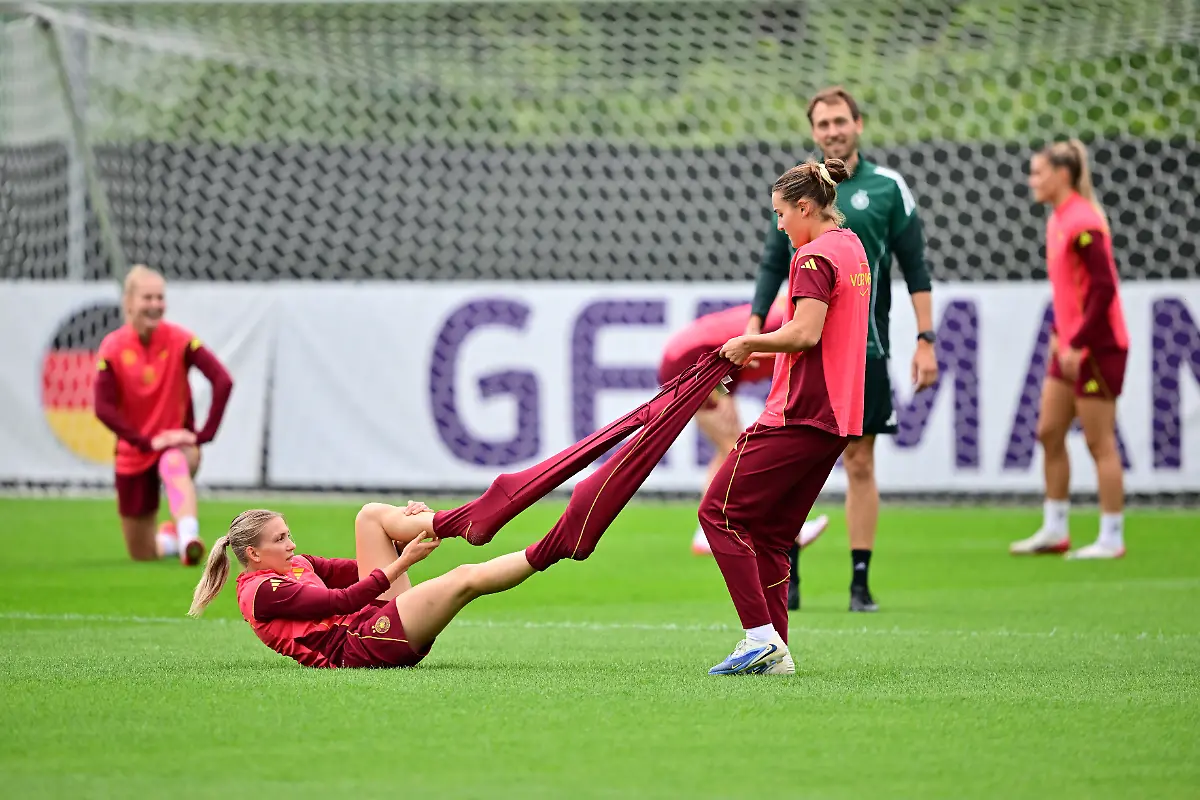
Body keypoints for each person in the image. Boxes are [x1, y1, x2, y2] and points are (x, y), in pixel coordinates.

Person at [188, 351, 738, 670]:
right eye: (281, 540)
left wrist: (405, 537)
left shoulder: (289, 567)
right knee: (465, 578)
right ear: (252, 554)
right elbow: (342, 599)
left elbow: (354, 571)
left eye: (288, 534)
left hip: (366, 622)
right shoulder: (264, 590)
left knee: (369, 516)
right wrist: (405, 562)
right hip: (362, 646)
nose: (291, 544)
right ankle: (555, 546)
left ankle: (452, 521)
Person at [745, 86, 937, 613]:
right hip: (806, 350)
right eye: (823, 123)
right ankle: (788, 574)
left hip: (864, 351)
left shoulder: (887, 188)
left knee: (859, 460)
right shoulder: (799, 191)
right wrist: (755, 324)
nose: (832, 130)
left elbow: (916, 266)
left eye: (840, 121)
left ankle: (859, 582)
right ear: (814, 131)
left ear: (858, 124)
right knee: (792, 459)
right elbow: (771, 263)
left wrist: (926, 339)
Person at [699, 158, 871, 676]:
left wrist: (749, 341)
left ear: (805, 207)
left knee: (717, 513)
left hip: (799, 413)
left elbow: (805, 333)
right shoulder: (852, 246)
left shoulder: (812, 257)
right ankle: (775, 651)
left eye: (781, 214)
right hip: (837, 418)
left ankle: (758, 638)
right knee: (772, 536)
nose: (778, 226)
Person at [1010, 140, 1128, 560]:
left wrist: (1079, 342)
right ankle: (1055, 528)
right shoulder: (1059, 218)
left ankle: (1111, 537)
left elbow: (1103, 287)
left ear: (1062, 175)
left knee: (1100, 442)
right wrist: (1061, 334)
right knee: (1049, 431)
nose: (1032, 181)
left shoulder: (1083, 221)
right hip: (1070, 344)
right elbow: (1072, 291)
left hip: (1096, 345)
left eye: (1038, 173)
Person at [658, 300, 829, 558]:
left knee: (730, 448)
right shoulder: (786, 322)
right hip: (691, 362)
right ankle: (785, 528)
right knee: (738, 451)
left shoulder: (789, 316)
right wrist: (721, 391)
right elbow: (731, 344)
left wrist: (726, 389)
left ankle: (707, 533)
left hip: (694, 361)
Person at [94, 265, 234, 565]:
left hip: (177, 448)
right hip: (135, 452)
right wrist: (144, 441)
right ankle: (170, 539)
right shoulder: (112, 347)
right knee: (142, 554)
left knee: (172, 460)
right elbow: (102, 408)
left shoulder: (181, 340)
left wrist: (201, 436)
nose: (156, 304)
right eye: (148, 297)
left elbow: (223, 380)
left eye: (160, 297)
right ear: (129, 302)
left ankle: (188, 537)